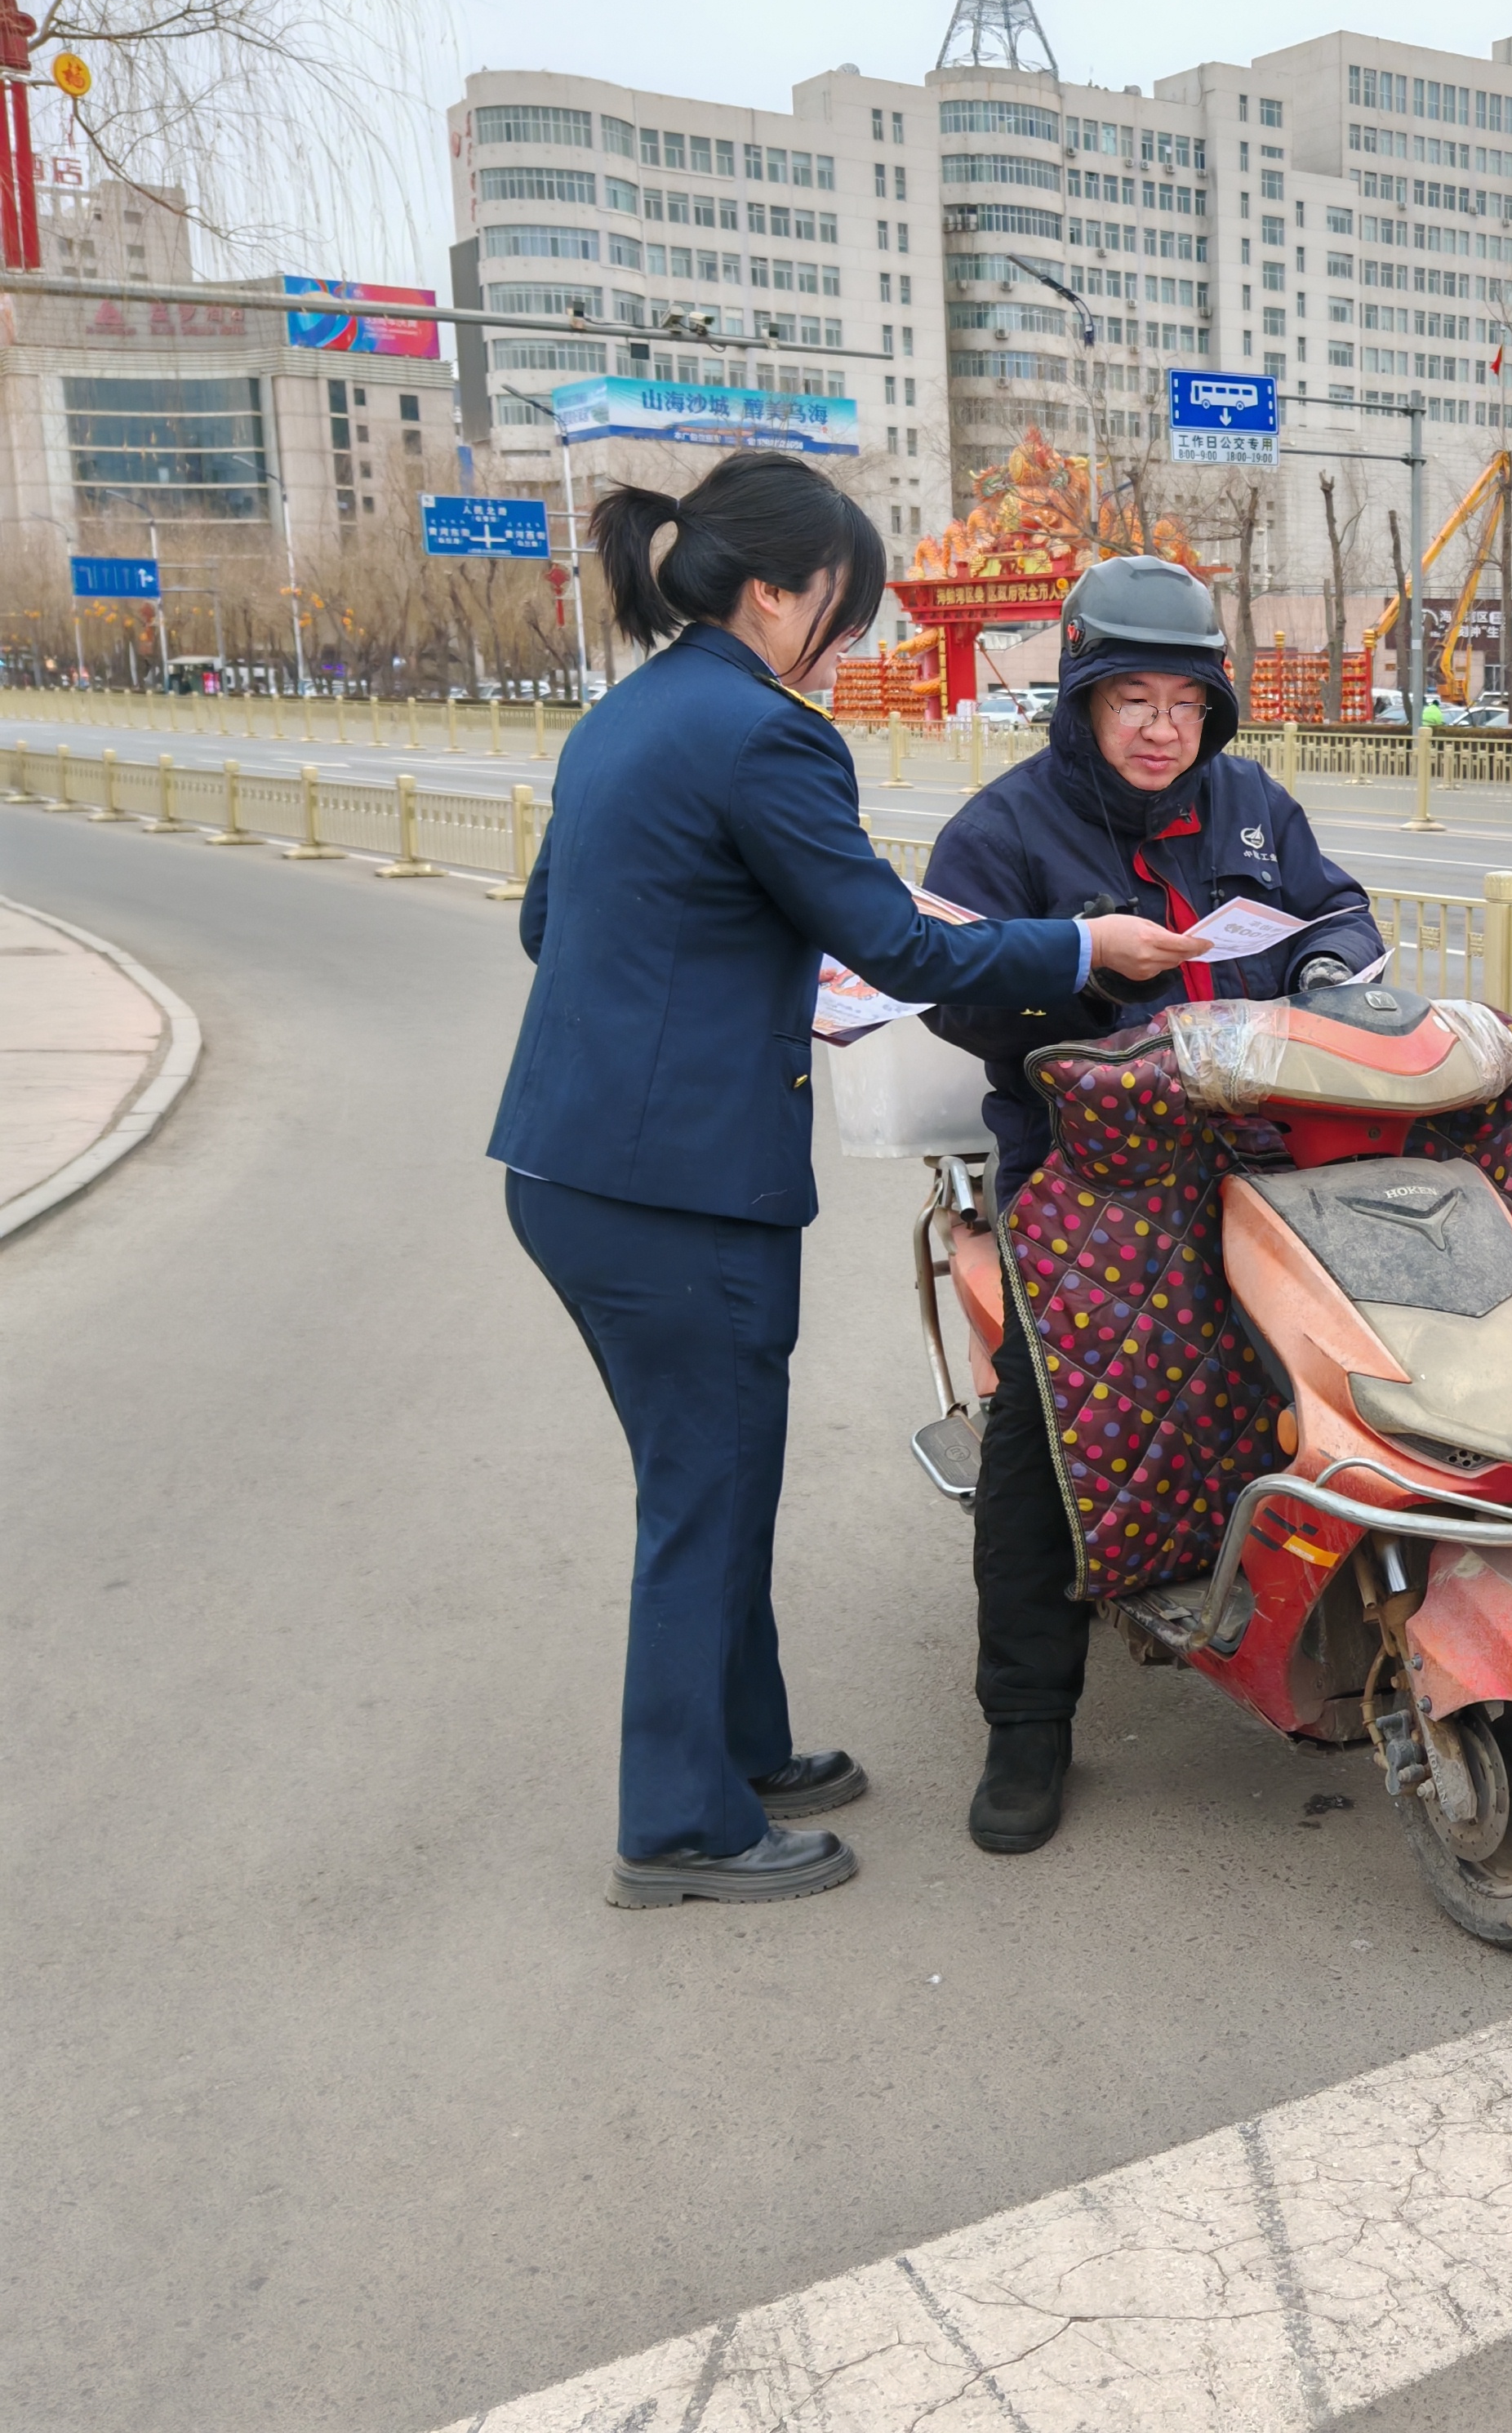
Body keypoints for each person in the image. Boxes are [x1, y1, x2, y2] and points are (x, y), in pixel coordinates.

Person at [491, 450, 1175, 1909]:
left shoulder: (624, 717)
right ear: (774, 590)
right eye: (842, 611)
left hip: (572, 1166)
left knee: (711, 1480)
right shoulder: (763, 735)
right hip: (678, 1190)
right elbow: (906, 948)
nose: (849, 641)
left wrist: (724, 968)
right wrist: (1079, 948)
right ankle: (679, 1824)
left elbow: (555, 923)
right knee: (705, 1491)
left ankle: (747, 1746)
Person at [923, 554, 1376, 1855]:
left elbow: (1331, 905)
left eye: (1186, 702)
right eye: (1133, 700)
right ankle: (1025, 1726)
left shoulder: (1249, 806)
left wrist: (1336, 958)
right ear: (1080, 700)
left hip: (1254, 1141)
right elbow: (949, 985)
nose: (1163, 728)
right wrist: (1087, 980)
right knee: (1044, 1430)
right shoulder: (1003, 830)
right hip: (1085, 1168)